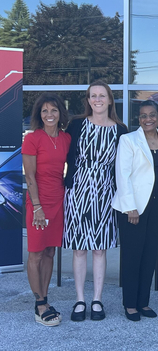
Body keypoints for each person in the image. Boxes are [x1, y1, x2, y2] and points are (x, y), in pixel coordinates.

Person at [63, 80, 128, 322]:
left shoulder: (121, 130)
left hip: (105, 193)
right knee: (79, 248)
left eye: (102, 95)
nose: (97, 99)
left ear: (110, 100)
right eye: (93, 96)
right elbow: (64, 156)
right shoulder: (77, 125)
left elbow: (123, 167)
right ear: (88, 100)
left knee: (99, 249)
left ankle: (97, 299)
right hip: (78, 191)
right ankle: (80, 299)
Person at [112, 100, 158, 321]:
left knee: (150, 255)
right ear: (138, 119)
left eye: (152, 115)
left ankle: (143, 302)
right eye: (143, 115)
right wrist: (130, 207)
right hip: (134, 208)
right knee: (132, 256)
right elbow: (122, 174)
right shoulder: (128, 140)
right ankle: (130, 304)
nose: (148, 119)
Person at [22, 93, 71, 326]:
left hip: (58, 201)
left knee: (50, 252)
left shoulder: (66, 138)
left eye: (53, 110)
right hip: (38, 202)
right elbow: (29, 176)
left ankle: (45, 297)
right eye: (44, 111)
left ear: (60, 113)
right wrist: (38, 207)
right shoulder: (32, 138)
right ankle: (39, 303)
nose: (49, 115)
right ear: (39, 115)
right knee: (36, 252)